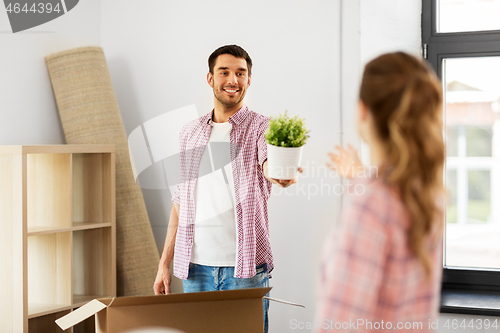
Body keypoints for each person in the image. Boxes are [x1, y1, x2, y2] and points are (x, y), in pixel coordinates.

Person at [153, 44, 300, 333]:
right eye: (224, 72)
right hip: (194, 269)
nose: (233, 80)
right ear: (210, 78)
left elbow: (269, 162)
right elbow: (179, 203)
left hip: (245, 270)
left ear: (248, 80)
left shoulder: (262, 127)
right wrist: (164, 263)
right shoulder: (189, 133)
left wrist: (279, 174)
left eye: (240, 73)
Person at [316, 52, 445, 332]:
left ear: (362, 111)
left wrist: (364, 185)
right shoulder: (428, 194)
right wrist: (361, 177)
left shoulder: (370, 203)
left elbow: (340, 323)